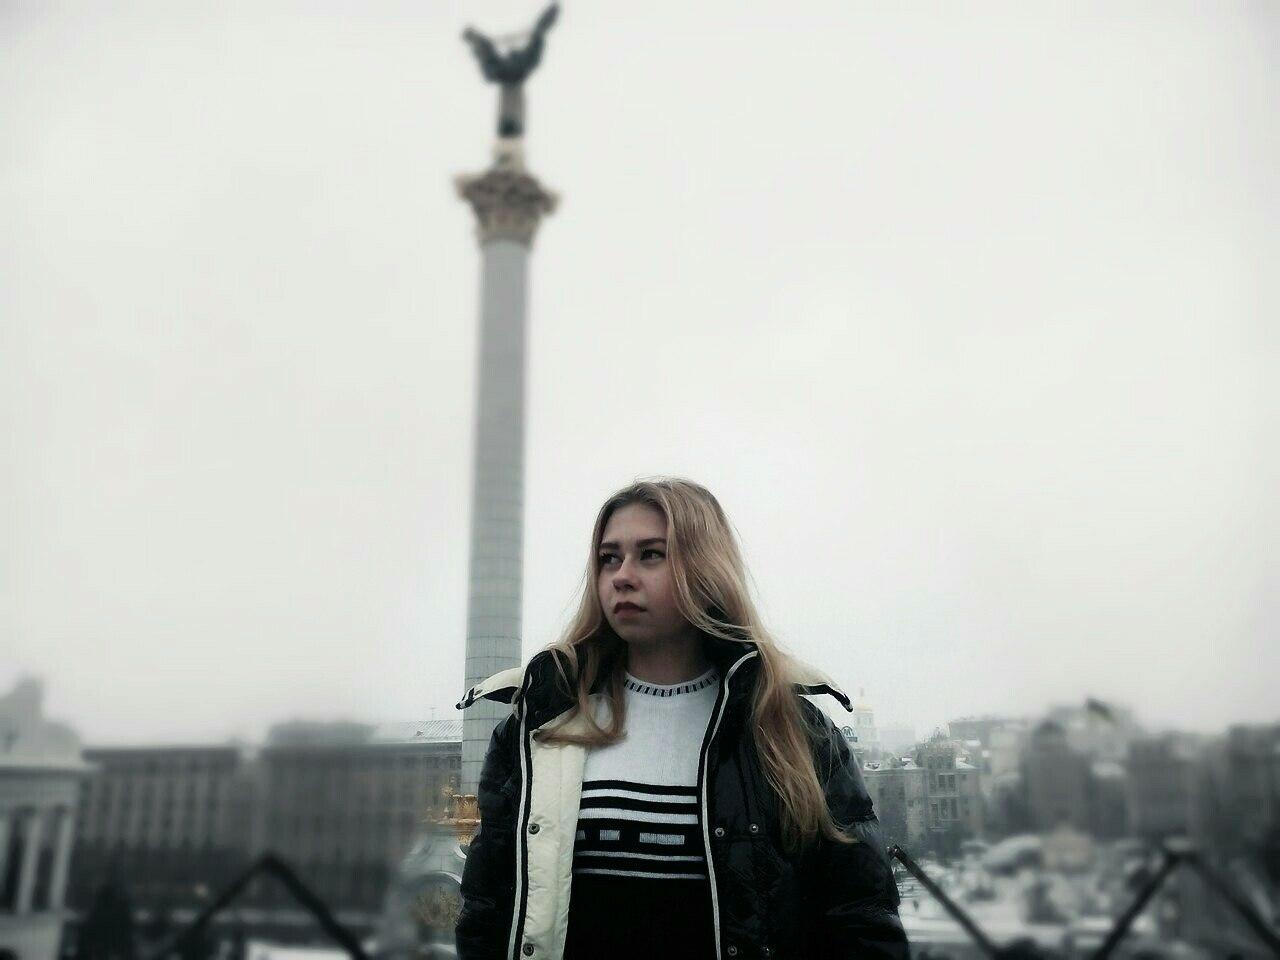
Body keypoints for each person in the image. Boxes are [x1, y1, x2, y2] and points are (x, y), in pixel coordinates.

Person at [455, 478, 909, 960]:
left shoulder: (789, 729)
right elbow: (488, 912)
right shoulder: (543, 724)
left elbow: (860, 918)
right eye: (609, 558)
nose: (622, 576)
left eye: (651, 554)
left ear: (706, 568)